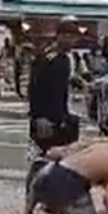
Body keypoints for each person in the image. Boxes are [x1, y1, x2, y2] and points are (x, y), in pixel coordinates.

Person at [25, 18, 78, 194]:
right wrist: (38, 116)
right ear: (59, 36)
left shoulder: (67, 60)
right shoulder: (48, 58)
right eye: (68, 36)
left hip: (61, 118)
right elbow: (34, 88)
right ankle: (32, 198)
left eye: (74, 37)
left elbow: (62, 92)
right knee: (40, 161)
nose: (71, 41)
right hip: (45, 119)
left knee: (60, 162)